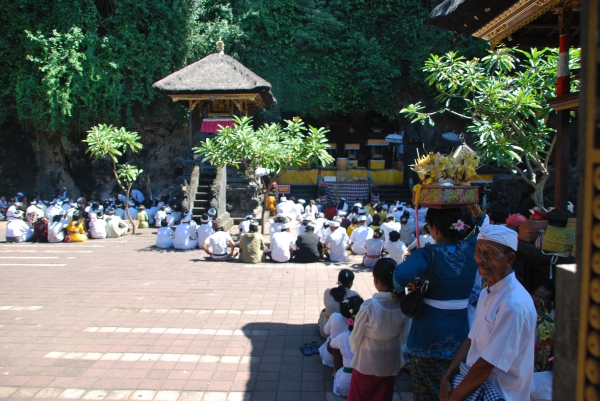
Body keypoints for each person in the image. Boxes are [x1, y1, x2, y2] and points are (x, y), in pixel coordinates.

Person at [394, 207, 484, 401]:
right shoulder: (471, 247)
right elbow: (482, 223)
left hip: (427, 335)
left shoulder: (428, 253)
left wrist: (407, 283)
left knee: (427, 392)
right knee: (454, 388)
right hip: (461, 333)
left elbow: (400, 275)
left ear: (434, 229)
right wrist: (475, 209)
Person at [439, 224, 536, 401]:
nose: (481, 258)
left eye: (490, 253)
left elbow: (485, 365)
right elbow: (471, 338)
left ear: (510, 258)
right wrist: (448, 375)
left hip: (501, 393)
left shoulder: (512, 305)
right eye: (478, 251)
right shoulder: (487, 292)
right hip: (477, 386)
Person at [348, 259, 410, 401]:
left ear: (375, 280)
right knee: (383, 396)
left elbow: (355, 338)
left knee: (360, 395)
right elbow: (403, 337)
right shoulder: (403, 306)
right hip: (390, 361)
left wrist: (354, 352)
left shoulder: (369, 307)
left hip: (366, 361)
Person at [319, 295, 364, 369]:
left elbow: (326, 332)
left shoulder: (334, 316)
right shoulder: (364, 324)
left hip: (330, 358)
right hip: (353, 362)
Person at [318, 269, 359, 338]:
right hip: (346, 333)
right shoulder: (354, 295)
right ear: (351, 283)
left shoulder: (328, 292)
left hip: (326, 333)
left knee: (323, 311)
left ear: (338, 281)